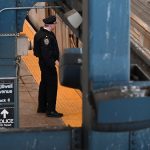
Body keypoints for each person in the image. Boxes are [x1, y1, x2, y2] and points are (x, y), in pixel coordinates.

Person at [33, 15, 63, 117]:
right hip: (48, 65)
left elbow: (36, 52)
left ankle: (42, 107)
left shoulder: (39, 34)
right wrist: (54, 63)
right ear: (51, 25)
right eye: (55, 24)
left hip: (42, 64)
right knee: (51, 87)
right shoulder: (47, 38)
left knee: (44, 85)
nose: (55, 25)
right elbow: (46, 54)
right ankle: (50, 110)